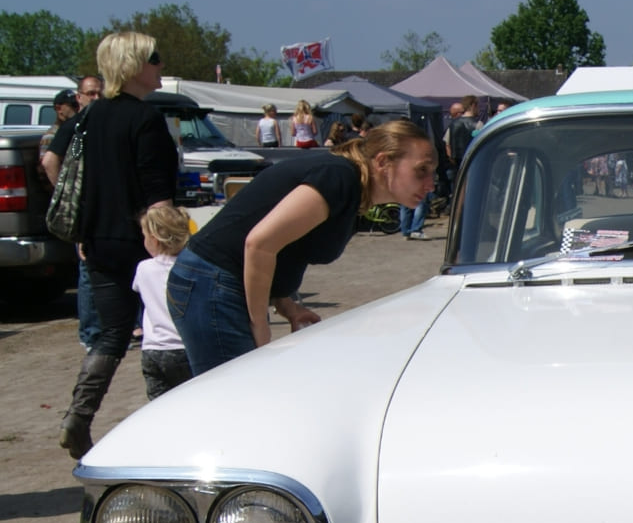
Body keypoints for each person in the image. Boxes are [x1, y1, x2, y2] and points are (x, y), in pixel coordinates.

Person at [167, 119, 435, 375]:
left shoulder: (352, 188)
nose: (430, 185)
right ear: (382, 162)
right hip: (211, 283)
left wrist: (287, 306)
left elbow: (288, 247)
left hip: (216, 282)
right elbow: (259, 244)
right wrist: (259, 325)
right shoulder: (339, 177)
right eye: (421, 170)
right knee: (234, 400)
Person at [52, 34, 176, 458]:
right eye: (153, 58)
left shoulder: (88, 117)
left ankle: (78, 417)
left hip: (98, 241)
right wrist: (174, 245)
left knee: (112, 335)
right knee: (166, 331)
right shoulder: (145, 120)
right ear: (135, 65)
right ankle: (168, 422)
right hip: (146, 242)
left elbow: (61, 168)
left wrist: (83, 234)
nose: (160, 64)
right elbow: (157, 193)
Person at [42, 75, 104, 353]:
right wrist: (65, 196)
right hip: (85, 211)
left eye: (100, 93)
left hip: (108, 208)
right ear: (79, 97)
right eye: (90, 94)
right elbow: (52, 160)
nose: (95, 99)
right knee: (88, 269)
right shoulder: (77, 129)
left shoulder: (102, 125)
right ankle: (90, 334)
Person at [132, 205, 193, 399]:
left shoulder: (144, 268)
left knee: (158, 403)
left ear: (154, 240)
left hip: (153, 349)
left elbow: (137, 288)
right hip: (183, 347)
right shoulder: (190, 268)